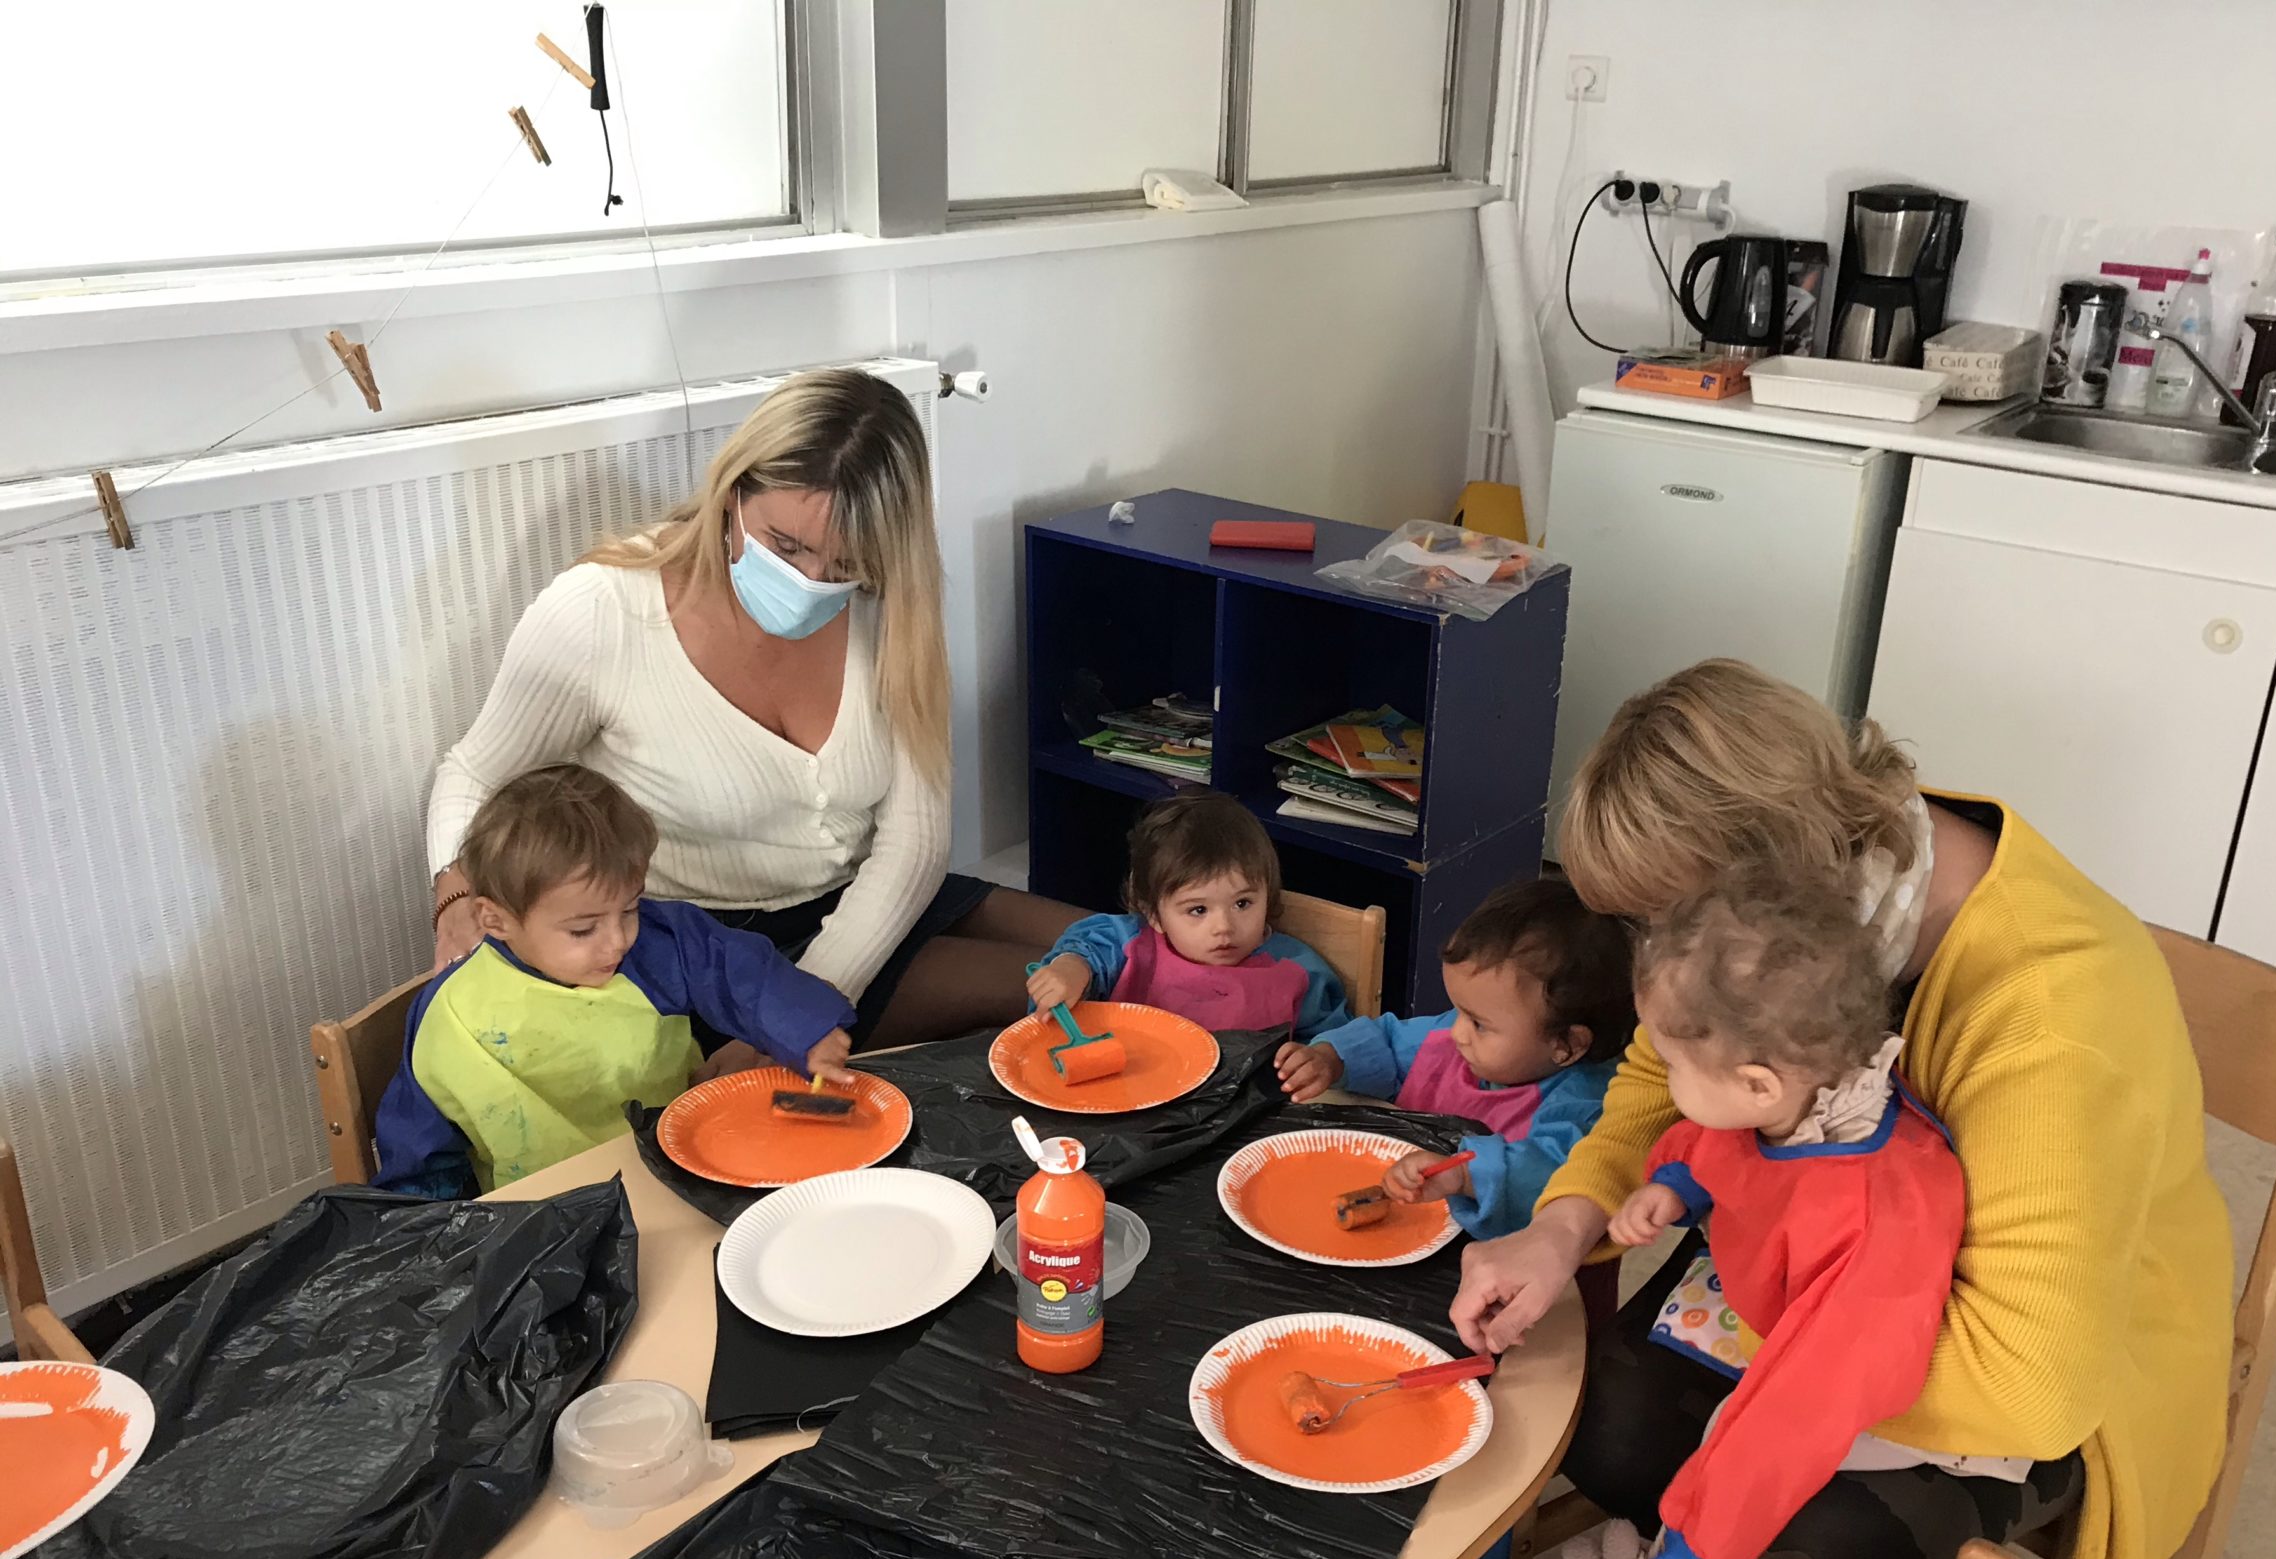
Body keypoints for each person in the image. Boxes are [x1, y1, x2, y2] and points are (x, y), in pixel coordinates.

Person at [1459, 660, 2231, 1559]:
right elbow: (1663, 1074)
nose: (1651, 960)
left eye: (1665, 928)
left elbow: (2031, 1384)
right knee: (1603, 1414)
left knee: (1830, 1541)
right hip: (1817, 1275)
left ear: (1778, 894)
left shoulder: (2052, 1014)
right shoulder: (1823, 887)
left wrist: (1784, 1384)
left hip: (2044, 1351)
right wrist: (1565, 1224)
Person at [424, 368, 1081, 1051]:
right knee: (1061, 1004)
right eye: (787, 546)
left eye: (845, 565)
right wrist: (454, 896)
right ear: (733, 493)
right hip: (698, 951)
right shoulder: (603, 610)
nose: (812, 582)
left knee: (1123, 958)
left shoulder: (892, 602)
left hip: (866, 905)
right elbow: (474, 772)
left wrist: (803, 1008)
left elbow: (914, 842)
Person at [1532, 863, 1985, 1559]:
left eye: (1674, 1065)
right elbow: (1720, 1138)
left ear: (1756, 1083)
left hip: (1870, 1389)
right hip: (1780, 1312)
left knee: (1754, 1468)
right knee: (1624, 1420)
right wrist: (1674, 1183)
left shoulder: (1872, 1228)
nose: (1664, 1078)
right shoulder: (1800, 1091)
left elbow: (1794, 1420)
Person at [376, 766, 859, 1197]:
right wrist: (419, 1230)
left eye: (629, 909)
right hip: (543, 1220)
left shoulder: (655, 945)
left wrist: (806, 1028)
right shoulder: (452, 1016)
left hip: (678, 1174)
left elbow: (738, 971)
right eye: (583, 929)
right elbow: (419, 1148)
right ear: (495, 920)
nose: (618, 941)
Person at [1273, 876, 1631, 1240]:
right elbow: (1389, 1042)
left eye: (1479, 1023)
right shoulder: (1452, 1039)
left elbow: (1551, 1171)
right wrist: (1331, 1057)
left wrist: (1465, 1177)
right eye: (1458, 1011)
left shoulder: (1586, 1106)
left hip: (1507, 1261)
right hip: (1406, 1229)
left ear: (1566, 1044)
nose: (1457, 1032)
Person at [1025, 791, 1348, 1040]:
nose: (1224, 927)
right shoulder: (1132, 946)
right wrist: (1072, 968)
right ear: (1154, 914)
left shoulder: (1299, 973)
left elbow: (1332, 1047)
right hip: (1126, 1095)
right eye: (1198, 910)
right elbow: (1089, 949)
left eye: (1242, 904)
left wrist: (1318, 1060)